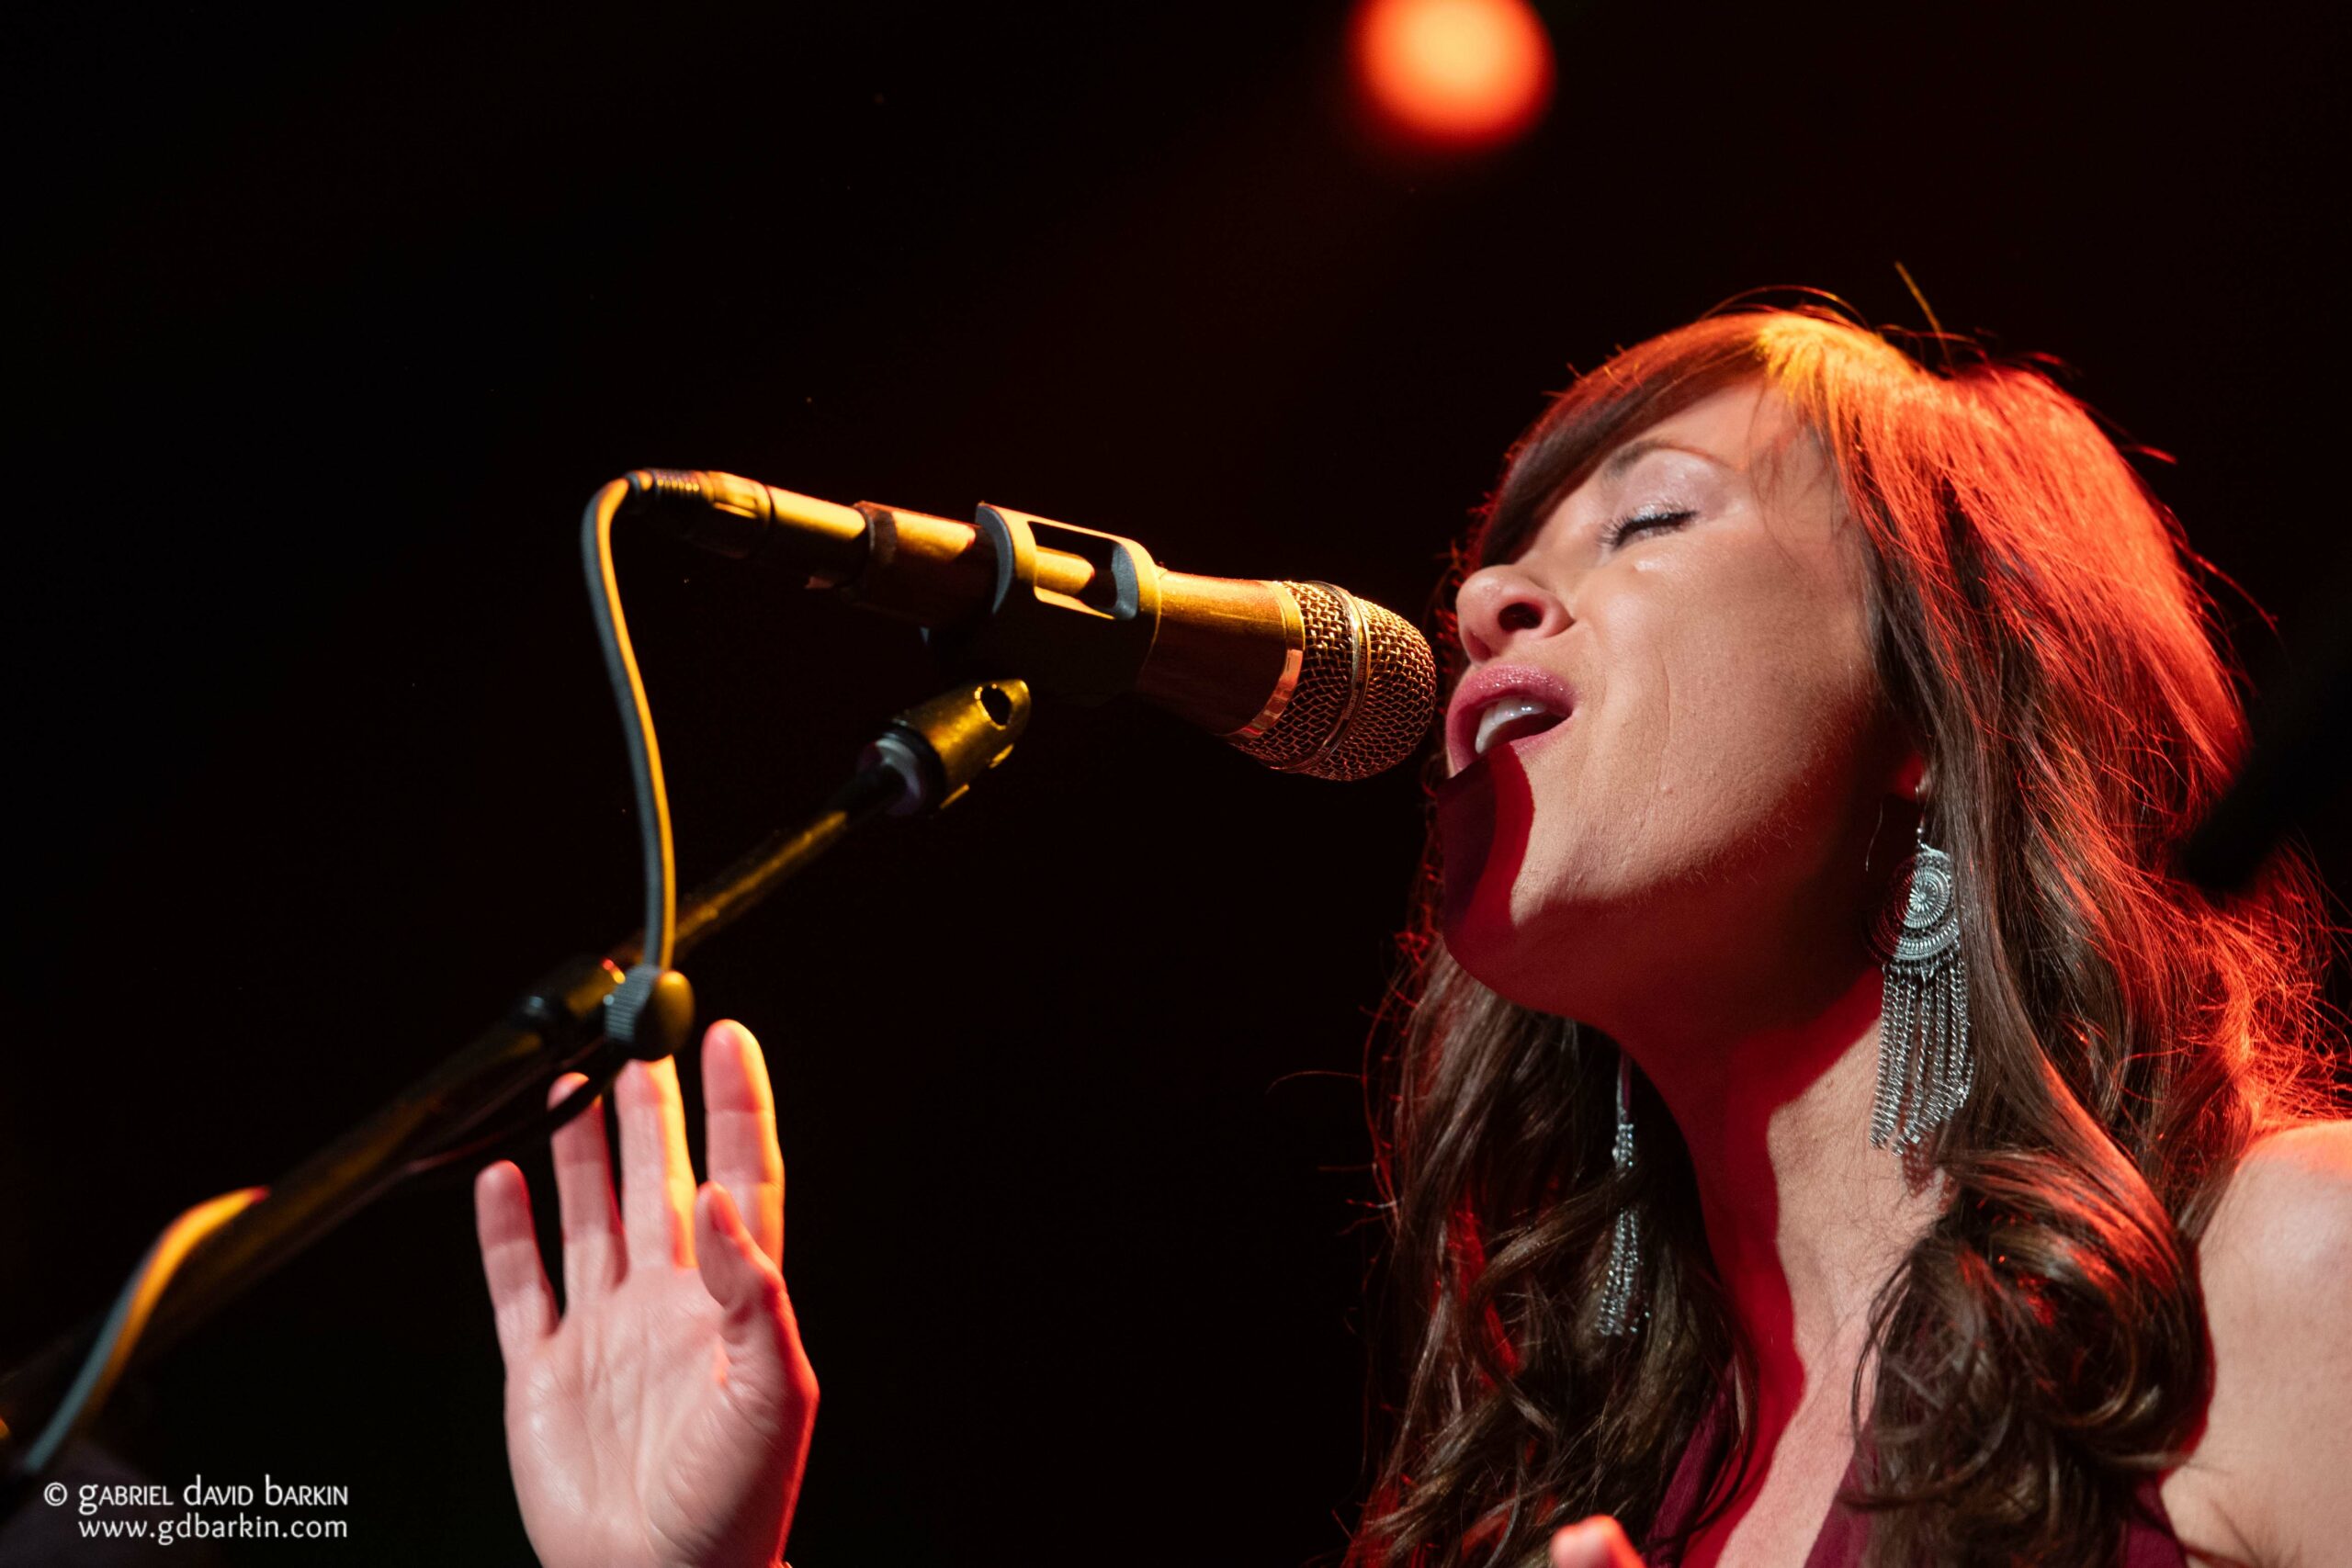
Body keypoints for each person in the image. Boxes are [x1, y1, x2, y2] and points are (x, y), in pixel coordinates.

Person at [472, 304, 2352, 1568]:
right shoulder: (1561, 1488)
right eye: (1496, 562)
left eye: (1649, 520)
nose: (1485, 597)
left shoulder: (2284, 1268)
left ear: (1931, 704)